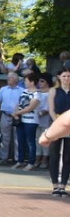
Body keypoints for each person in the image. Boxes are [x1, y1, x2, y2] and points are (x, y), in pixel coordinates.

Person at [42, 68, 70, 196]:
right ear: (59, 77)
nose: (66, 79)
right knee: (54, 155)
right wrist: (57, 123)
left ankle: (63, 185)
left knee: (67, 157)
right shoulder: (54, 91)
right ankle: (55, 185)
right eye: (64, 76)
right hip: (56, 122)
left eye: (69, 76)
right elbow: (51, 109)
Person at [11, 72, 41, 170]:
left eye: (26, 81)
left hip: (31, 121)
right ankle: (20, 160)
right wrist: (15, 112)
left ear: (32, 82)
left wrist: (17, 113)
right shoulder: (24, 91)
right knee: (20, 141)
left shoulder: (37, 94)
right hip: (21, 120)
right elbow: (19, 103)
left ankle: (31, 162)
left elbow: (30, 108)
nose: (25, 82)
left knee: (30, 142)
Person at [0, 72, 23, 164]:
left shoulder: (22, 90)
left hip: (17, 116)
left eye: (10, 77)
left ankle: (18, 158)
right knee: (5, 137)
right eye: (8, 77)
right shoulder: (3, 89)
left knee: (17, 138)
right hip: (5, 115)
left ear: (16, 79)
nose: (8, 78)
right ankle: (3, 158)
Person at [34, 74, 53, 169]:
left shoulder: (50, 92)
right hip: (36, 119)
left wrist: (42, 113)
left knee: (45, 139)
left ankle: (45, 159)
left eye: (42, 81)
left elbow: (50, 107)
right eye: (39, 81)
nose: (39, 83)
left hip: (46, 119)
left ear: (47, 82)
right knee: (37, 139)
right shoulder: (37, 92)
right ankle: (37, 158)